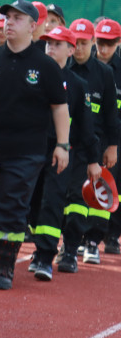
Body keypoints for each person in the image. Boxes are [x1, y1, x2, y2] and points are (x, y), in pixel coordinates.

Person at [0, 0, 69, 290]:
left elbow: (60, 108)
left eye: (17, 18)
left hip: (26, 153)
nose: (9, 22)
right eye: (7, 17)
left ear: (33, 26)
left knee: (10, 205)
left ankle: (5, 265)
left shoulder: (46, 66)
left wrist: (62, 144)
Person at [28, 26, 98, 281]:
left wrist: (93, 159)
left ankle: (45, 256)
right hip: (32, 149)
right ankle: (38, 248)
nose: (50, 48)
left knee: (52, 200)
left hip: (61, 150)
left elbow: (87, 126)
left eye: (57, 44)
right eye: (48, 43)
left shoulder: (78, 85)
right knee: (32, 201)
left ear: (70, 50)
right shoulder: (33, 76)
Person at [64, 15, 119, 266]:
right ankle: (69, 243)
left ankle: (93, 242)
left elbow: (110, 114)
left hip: (98, 143)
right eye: (76, 42)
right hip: (70, 143)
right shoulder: (64, 69)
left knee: (99, 196)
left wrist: (112, 146)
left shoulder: (105, 74)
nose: (80, 48)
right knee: (70, 195)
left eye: (86, 43)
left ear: (92, 42)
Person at [91, 18, 121, 254]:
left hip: (115, 137)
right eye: (100, 42)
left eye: (109, 44)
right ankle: (87, 234)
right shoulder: (85, 64)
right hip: (89, 135)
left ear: (118, 43)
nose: (103, 48)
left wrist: (114, 144)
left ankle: (113, 235)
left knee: (116, 187)